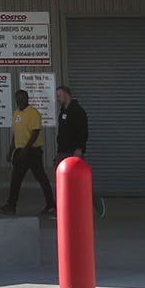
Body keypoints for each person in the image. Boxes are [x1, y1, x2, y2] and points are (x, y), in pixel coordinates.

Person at [0, 88, 54, 216]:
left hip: (32, 151)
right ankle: (11, 205)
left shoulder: (33, 113)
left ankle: (51, 205)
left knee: (41, 178)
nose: (20, 100)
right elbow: (16, 135)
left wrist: (26, 149)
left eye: (22, 98)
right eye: (17, 98)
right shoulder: (16, 114)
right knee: (16, 178)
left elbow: (35, 132)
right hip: (20, 151)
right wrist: (10, 151)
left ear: (27, 98)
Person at [53, 86, 104, 218]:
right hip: (62, 151)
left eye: (59, 95)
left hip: (73, 151)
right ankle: (64, 211)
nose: (57, 99)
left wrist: (80, 148)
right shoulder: (63, 110)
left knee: (79, 181)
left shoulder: (78, 111)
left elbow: (83, 132)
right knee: (63, 182)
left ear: (66, 94)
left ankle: (95, 200)